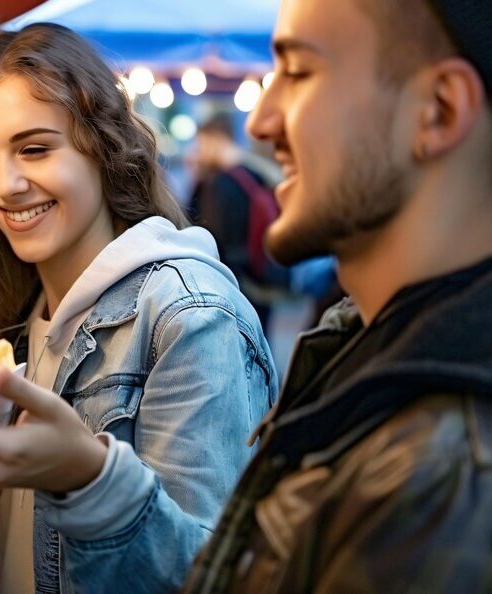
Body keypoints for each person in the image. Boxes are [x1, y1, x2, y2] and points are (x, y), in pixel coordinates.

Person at [0, 24, 277, 593]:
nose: (5, 185)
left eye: (35, 149)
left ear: (101, 145)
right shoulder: (9, 305)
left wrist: (88, 478)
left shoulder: (190, 315)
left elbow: (210, 576)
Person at [179, 0, 492, 592]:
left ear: (438, 111)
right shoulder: (357, 348)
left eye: (298, 73)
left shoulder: (446, 477)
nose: (260, 121)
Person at [189, 114, 287, 327]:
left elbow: (218, 236)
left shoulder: (223, 183)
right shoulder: (256, 173)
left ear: (218, 139)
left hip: (238, 283)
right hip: (263, 274)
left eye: (202, 143)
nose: (200, 151)